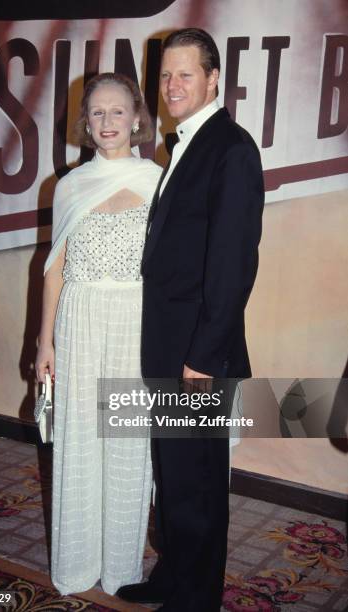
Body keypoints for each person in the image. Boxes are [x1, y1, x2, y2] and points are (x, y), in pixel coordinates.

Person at [116, 28, 264, 611]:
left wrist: (203, 358)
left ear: (213, 80)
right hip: (171, 347)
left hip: (199, 355)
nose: (172, 85)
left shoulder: (231, 148)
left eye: (185, 74)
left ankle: (195, 598)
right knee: (173, 474)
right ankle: (174, 576)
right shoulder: (185, 146)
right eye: (165, 75)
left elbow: (232, 267)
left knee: (197, 482)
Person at [35, 73, 162, 595]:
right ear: (85, 124)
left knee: (128, 440)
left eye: (117, 112)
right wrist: (44, 342)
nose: (107, 123)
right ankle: (78, 562)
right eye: (97, 113)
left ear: (137, 118)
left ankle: (121, 568)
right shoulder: (68, 186)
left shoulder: (160, 181)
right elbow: (54, 268)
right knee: (81, 436)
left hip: (135, 321)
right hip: (79, 319)